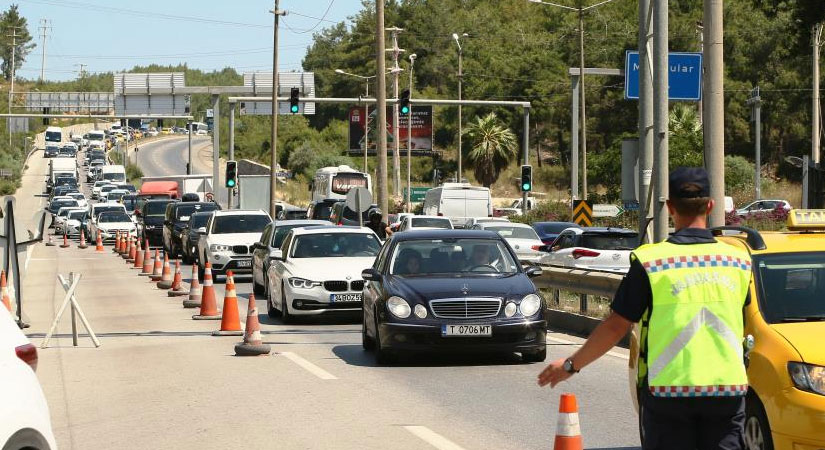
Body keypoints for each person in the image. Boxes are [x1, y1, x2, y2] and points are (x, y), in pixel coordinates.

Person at [537, 167, 752, 450]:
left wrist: (570, 365)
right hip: (727, 391)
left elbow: (616, 326)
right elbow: (747, 320)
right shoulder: (737, 260)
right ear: (710, 205)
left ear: (670, 207)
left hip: (667, 394)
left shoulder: (653, 261)